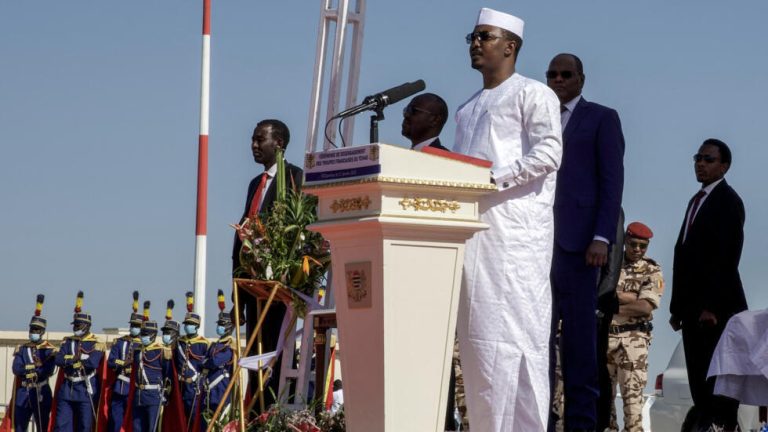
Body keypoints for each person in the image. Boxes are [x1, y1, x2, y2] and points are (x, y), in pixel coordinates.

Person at [453, 8, 562, 431]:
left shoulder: (534, 94)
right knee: (478, 347)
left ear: (510, 46)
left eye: (485, 36)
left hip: (515, 241)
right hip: (473, 239)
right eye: (473, 36)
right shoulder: (467, 108)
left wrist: (493, 178)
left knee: (516, 342)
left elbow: (550, 152)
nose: (475, 43)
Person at [546, 52, 625, 432]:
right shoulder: (536, 119)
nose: (558, 80)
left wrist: (601, 237)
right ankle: (539, 419)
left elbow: (612, 183)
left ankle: (582, 424)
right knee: (536, 340)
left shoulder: (601, 118)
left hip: (580, 248)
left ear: (581, 79)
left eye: (565, 74)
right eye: (552, 74)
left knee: (579, 345)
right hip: (537, 244)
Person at [669, 138, 747, 431]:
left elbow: (727, 257)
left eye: (708, 159)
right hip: (691, 312)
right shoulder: (696, 201)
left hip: (716, 313)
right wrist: (678, 309)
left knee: (718, 393)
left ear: (724, 166)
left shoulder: (728, 201)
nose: (700, 163)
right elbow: (684, 256)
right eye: (697, 158)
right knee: (700, 389)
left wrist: (712, 306)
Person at [232, 119, 303, 409]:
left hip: (279, 289)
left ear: (280, 143)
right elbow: (243, 238)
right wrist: (238, 293)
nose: (254, 145)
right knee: (253, 359)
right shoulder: (255, 184)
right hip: (252, 288)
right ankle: (255, 414)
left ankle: (272, 415)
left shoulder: (296, 178)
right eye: (253, 139)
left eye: (260, 139)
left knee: (275, 357)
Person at [606, 222, 663, 432]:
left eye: (642, 246)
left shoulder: (651, 269)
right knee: (604, 409)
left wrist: (613, 303)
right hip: (605, 340)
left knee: (633, 411)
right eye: (633, 244)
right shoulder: (611, 264)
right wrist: (629, 297)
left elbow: (645, 307)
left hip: (633, 345)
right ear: (625, 241)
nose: (637, 250)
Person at [53, 291, 105, 432]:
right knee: (61, 425)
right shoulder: (68, 341)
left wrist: (70, 361)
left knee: (84, 426)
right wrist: (75, 359)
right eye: (74, 325)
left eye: (78, 326)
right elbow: (58, 359)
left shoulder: (96, 343)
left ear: (87, 326)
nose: (75, 328)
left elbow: (92, 363)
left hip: (85, 388)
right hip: (67, 388)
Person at [4, 295, 57, 432]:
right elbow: (16, 369)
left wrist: (32, 370)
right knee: (20, 426)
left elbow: (47, 371)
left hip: (40, 391)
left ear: (42, 332)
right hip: (23, 392)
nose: (33, 332)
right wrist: (33, 367)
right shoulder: (23, 349)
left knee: (42, 425)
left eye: (36, 330)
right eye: (32, 329)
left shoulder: (49, 350)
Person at [105, 292, 143, 432]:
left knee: (134, 424)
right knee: (115, 422)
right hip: (120, 387)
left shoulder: (144, 345)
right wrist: (124, 363)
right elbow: (111, 362)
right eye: (132, 325)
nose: (134, 327)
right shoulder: (120, 342)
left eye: (137, 325)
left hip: (136, 388)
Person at [131, 318, 172, 432]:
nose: (142, 336)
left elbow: (168, 375)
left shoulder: (161, 351)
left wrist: (166, 394)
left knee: (152, 428)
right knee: (137, 428)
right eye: (142, 334)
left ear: (153, 335)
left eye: (145, 334)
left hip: (154, 396)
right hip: (139, 395)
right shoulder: (138, 350)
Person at [176, 291, 210, 428]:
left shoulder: (203, 343)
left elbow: (206, 366)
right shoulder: (179, 342)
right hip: (180, 386)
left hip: (194, 386)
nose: (187, 326)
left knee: (193, 419)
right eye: (186, 323)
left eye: (190, 324)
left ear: (196, 326)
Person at [201, 297, 235, 428]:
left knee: (221, 422)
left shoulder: (229, 346)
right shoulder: (215, 344)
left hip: (221, 389)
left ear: (227, 327)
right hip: (209, 388)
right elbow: (203, 360)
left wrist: (206, 362)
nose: (218, 327)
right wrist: (206, 362)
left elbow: (214, 361)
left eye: (221, 325)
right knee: (206, 422)